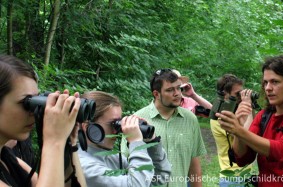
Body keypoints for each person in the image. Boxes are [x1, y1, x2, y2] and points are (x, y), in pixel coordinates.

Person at [0, 55, 86, 187]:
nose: (34, 112)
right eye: (26, 103)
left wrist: (69, 142)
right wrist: (54, 140)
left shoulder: (7, 160)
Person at [216, 54, 283, 187]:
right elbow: (243, 158)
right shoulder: (263, 116)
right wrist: (238, 129)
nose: (268, 88)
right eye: (265, 82)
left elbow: (282, 150)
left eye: (275, 82)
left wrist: (239, 130)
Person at [78, 91, 171, 186]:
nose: (118, 130)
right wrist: (136, 143)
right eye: (112, 124)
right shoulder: (83, 166)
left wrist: (152, 142)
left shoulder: (111, 158)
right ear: (87, 127)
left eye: (119, 123)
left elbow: (159, 178)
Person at [134, 69, 207, 187]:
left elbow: (194, 165)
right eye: (170, 90)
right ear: (156, 94)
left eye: (178, 88)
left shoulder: (190, 119)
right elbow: (129, 165)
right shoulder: (138, 120)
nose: (177, 93)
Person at [209, 74, 253, 187]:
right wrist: (248, 105)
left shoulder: (235, 113)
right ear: (225, 95)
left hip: (246, 174)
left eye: (241, 92)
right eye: (237, 94)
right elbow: (248, 136)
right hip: (232, 177)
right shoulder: (219, 118)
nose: (240, 97)